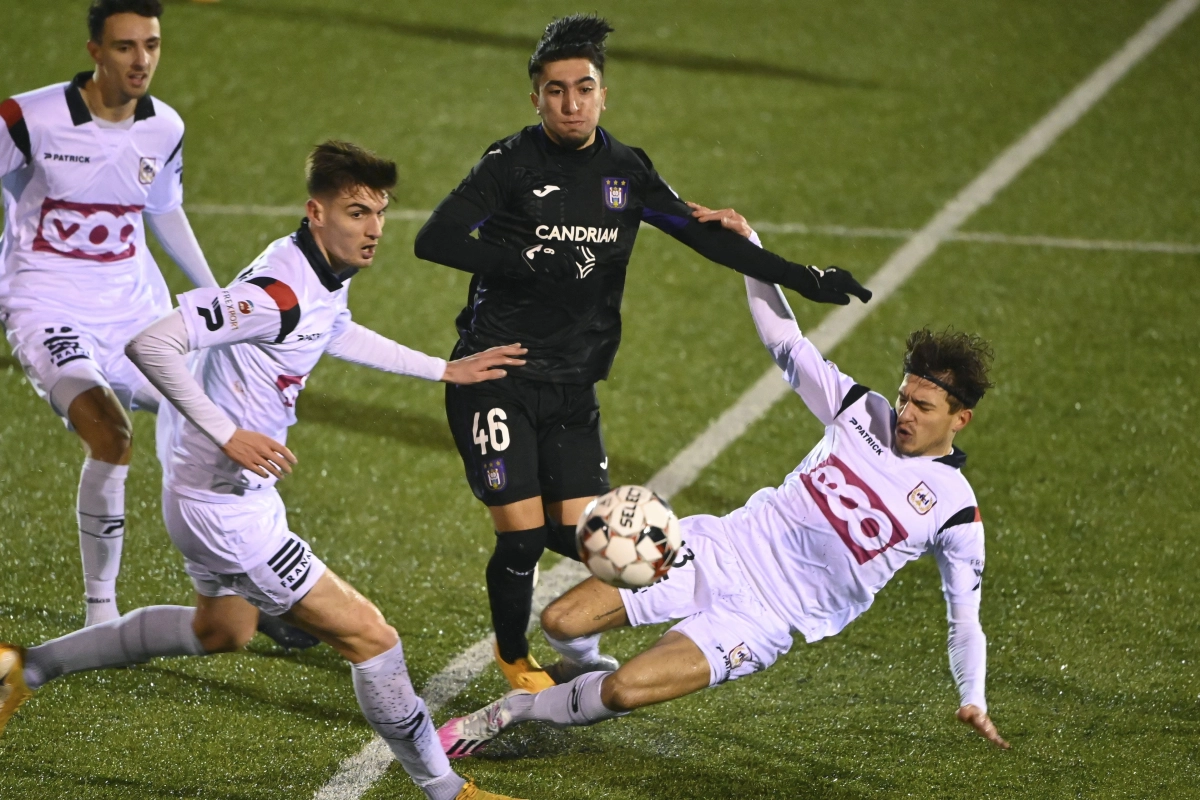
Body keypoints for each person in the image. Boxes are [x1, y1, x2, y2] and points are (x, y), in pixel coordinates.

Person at [0, 141, 527, 800]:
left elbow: (332, 329)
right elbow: (153, 343)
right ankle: (447, 790)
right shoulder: (275, 292)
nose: (373, 229)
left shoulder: (317, 277)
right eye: (356, 212)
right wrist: (228, 433)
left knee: (221, 630)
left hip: (212, 491)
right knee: (373, 637)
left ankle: (27, 667)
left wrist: (443, 368)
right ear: (316, 212)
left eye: (379, 213)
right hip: (225, 509)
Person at [435, 206, 1009, 759]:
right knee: (561, 621)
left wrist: (973, 697)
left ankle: (511, 712)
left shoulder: (955, 511)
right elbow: (787, 344)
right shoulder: (863, 411)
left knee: (624, 692)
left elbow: (965, 620)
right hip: (718, 547)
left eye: (923, 407)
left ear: (960, 419)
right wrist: (749, 253)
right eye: (905, 396)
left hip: (765, 618)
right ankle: (580, 669)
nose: (905, 413)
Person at [413, 13, 872, 693]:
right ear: (534, 98)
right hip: (496, 374)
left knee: (586, 543)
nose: (571, 102)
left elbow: (707, 235)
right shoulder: (508, 164)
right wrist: (522, 260)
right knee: (518, 537)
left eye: (584, 88)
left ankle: (580, 656)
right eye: (555, 90)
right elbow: (435, 238)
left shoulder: (626, 172)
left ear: (604, 94)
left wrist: (807, 277)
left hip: (573, 386)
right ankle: (514, 656)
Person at [0, 0, 219, 627]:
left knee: (223, 427)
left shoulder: (164, 126)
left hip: (133, 309)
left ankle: (236, 585)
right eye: (125, 47)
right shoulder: (27, 118)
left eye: (151, 45)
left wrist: (215, 296)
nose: (141, 60)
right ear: (94, 51)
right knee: (111, 434)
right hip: (45, 307)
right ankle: (102, 613)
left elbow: (163, 208)